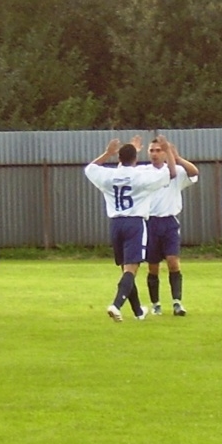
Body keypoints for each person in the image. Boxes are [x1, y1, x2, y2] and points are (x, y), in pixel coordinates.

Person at [85, 135, 176, 322]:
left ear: (118, 158)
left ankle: (138, 311)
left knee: (125, 268)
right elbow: (171, 173)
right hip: (135, 223)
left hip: (116, 224)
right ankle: (116, 305)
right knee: (131, 269)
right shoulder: (141, 176)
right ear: (135, 158)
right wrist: (167, 151)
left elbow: (90, 168)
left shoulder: (109, 175)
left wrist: (107, 153)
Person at [143, 138, 199, 316]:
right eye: (152, 150)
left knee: (173, 262)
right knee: (153, 266)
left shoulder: (176, 170)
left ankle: (177, 302)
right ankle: (156, 304)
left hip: (169, 222)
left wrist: (178, 158)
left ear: (165, 153)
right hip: (150, 222)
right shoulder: (144, 172)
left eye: (159, 150)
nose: (154, 154)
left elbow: (194, 173)